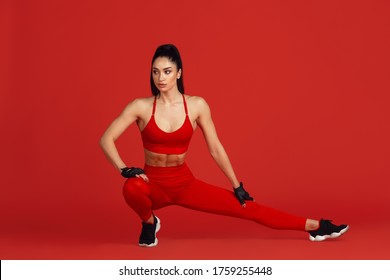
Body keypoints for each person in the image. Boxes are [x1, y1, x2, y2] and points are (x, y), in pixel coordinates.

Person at [99, 44, 349, 247]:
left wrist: (236, 185)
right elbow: (106, 139)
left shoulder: (196, 105)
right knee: (131, 187)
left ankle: (317, 227)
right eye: (155, 71)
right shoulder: (140, 106)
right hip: (152, 183)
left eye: (166, 71)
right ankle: (149, 222)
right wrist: (123, 168)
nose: (160, 77)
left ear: (179, 73)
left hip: (184, 184)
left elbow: (215, 148)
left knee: (247, 208)